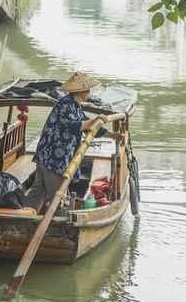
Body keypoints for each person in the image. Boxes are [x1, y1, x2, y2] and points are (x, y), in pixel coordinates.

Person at [24, 71, 121, 211]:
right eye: (87, 89)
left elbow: (87, 123)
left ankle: (28, 215)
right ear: (80, 90)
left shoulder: (75, 105)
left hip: (48, 155)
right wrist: (95, 119)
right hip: (53, 157)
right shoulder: (66, 104)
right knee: (56, 195)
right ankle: (52, 221)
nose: (89, 92)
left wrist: (111, 135)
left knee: (38, 190)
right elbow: (75, 126)